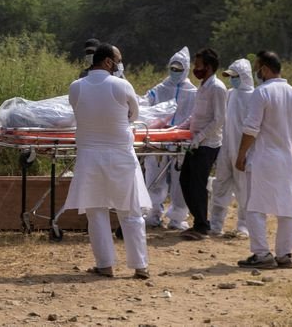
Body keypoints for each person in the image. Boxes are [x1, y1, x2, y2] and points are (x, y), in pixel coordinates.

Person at [64, 43, 151, 279]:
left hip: (89, 157)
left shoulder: (76, 87)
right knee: (131, 212)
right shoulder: (122, 85)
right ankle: (140, 266)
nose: (121, 64)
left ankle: (105, 265)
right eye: (119, 59)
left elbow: (79, 113)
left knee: (96, 212)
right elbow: (134, 115)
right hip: (120, 155)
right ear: (108, 62)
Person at [236, 51, 292, 269]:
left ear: (264, 69)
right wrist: (282, 142)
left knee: (255, 206)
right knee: (287, 207)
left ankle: (262, 253)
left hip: (263, 158)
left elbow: (250, 129)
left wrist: (241, 155)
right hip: (285, 158)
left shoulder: (261, 93)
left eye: (257, 67)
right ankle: (284, 254)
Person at [142, 46, 197, 229]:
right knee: (154, 177)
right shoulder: (160, 89)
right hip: (159, 139)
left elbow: (196, 115)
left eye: (178, 69)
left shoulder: (193, 92)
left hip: (180, 140)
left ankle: (177, 217)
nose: (174, 72)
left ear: (186, 69)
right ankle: (154, 213)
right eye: (172, 69)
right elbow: (145, 103)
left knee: (179, 181)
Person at [179, 47, 228, 240]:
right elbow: (196, 116)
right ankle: (199, 222)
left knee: (198, 184)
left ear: (207, 67)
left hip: (207, 144)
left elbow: (218, 120)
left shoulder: (217, 88)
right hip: (195, 142)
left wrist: (198, 138)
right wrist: (178, 129)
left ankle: (202, 226)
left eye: (198, 65)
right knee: (185, 181)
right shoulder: (203, 86)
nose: (195, 69)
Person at [209, 58, 254, 238]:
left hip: (244, 150)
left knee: (244, 189)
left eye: (235, 76)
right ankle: (215, 224)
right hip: (226, 147)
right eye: (230, 76)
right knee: (220, 185)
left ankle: (244, 225)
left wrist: (244, 152)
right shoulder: (230, 93)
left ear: (244, 76)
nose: (232, 80)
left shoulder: (254, 96)